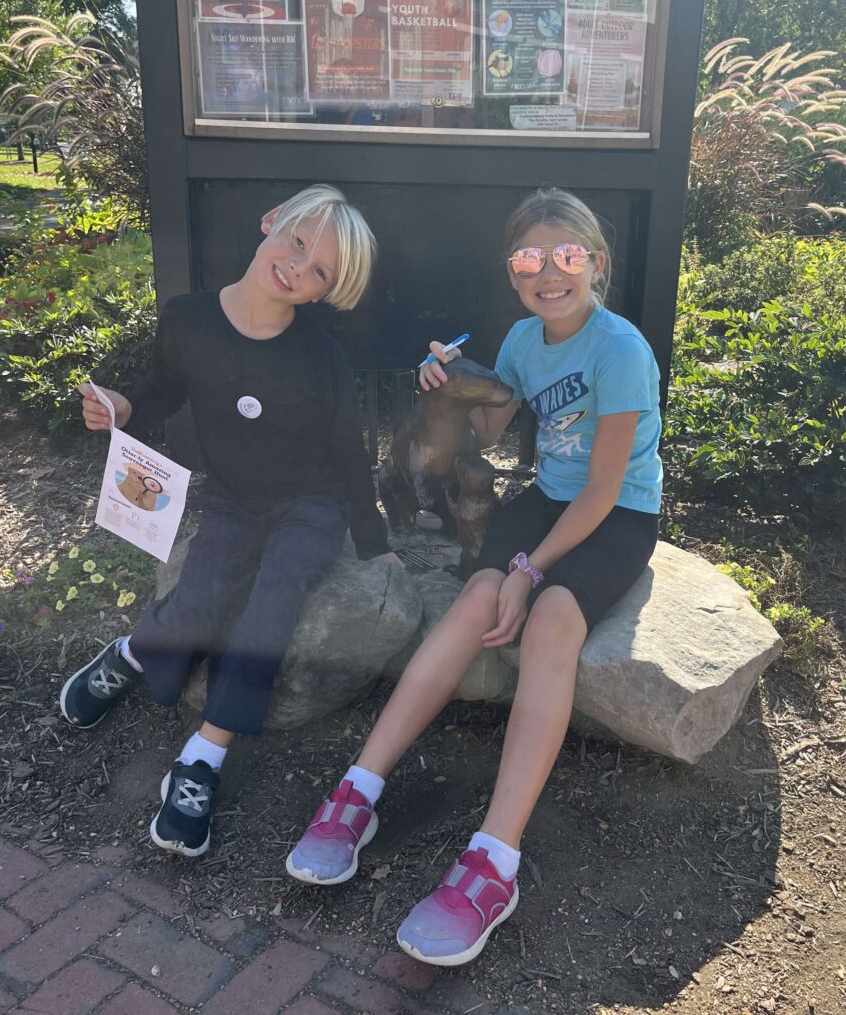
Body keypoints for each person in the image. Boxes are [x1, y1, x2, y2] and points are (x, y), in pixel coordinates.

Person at [286, 187, 662, 966]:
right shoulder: (525, 338)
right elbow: (496, 425)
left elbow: (600, 488)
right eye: (528, 259)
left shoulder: (619, 348)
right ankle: (358, 790)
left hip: (613, 513)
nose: (547, 273)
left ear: (595, 262)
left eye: (566, 257)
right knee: (473, 600)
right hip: (548, 498)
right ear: (512, 270)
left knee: (552, 617)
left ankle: (494, 860)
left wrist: (529, 569)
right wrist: (448, 381)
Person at [59, 185, 395, 857]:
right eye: (296, 242)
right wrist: (123, 408)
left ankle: (202, 758)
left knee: (273, 605)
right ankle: (132, 654)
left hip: (311, 503)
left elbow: (346, 447)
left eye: (319, 270)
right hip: (234, 496)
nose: (298, 266)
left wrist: (372, 536)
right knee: (201, 594)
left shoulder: (318, 353)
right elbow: (164, 389)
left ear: (325, 292)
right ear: (271, 222)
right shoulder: (188, 320)